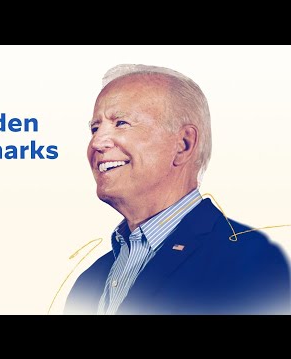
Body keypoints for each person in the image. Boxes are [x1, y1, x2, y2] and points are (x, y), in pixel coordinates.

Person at [64, 64, 291, 315]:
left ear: (183, 145)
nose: (96, 142)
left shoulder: (250, 261)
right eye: (95, 128)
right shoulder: (89, 280)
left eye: (121, 123)